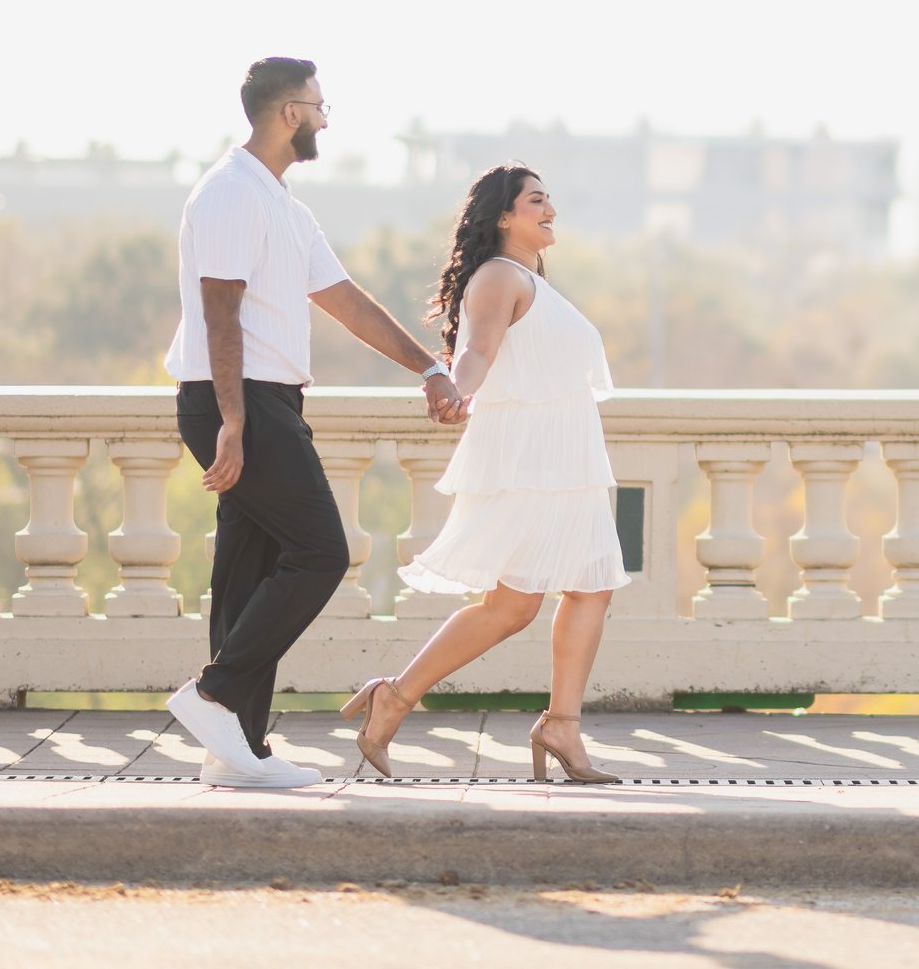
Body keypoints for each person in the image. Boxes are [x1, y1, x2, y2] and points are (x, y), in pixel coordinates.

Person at [163, 56, 464, 789]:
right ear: (288, 112)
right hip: (237, 399)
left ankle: (235, 750)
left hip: (266, 400)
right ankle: (212, 695)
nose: (326, 119)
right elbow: (220, 310)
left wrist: (429, 367)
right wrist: (234, 421)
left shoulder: (285, 207)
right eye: (319, 106)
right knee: (321, 551)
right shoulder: (231, 192)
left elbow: (346, 300)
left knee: (249, 572)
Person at [341, 162, 632, 784]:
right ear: (503, 216)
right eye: (535, 201)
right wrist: (455, 392)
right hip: (534, 460)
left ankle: (560, 725)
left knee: (582, 588)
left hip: (565, 456)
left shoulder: (527, 277)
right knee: (516, 605)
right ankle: (395, 696)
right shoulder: (499, 275)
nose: (549, 209)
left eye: (549, 199)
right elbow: (475, 349)